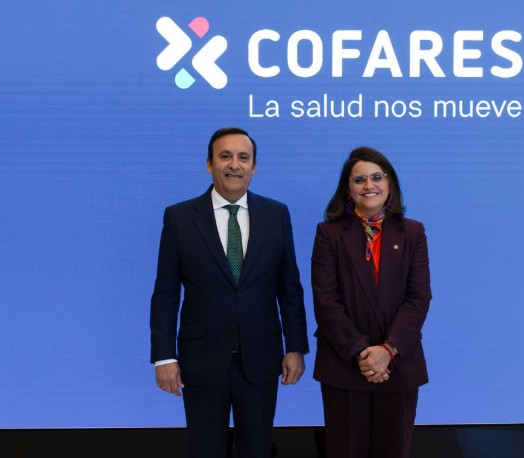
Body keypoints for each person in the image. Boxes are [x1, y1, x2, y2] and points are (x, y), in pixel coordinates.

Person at [150, 127, 309, 458]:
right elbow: (165, 293)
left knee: (258, 450)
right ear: (209, 163)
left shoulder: (276, 214)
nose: (234, 165)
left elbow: (289, 288)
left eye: (243, 157)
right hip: (201, 361)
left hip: (261, 358)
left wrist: (295, 347)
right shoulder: (180, 217)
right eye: (225, 156)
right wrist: (164, 356)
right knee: (205, 450)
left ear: (254, 166)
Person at [311, 146, 432, 458]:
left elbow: (418, 297)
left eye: (377, 177)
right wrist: (364, 355)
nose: (369, 186)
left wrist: (388, 350)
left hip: (398, 366)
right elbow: (326, 301)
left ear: (390, 183)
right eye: (359, 179)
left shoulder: (412, 232)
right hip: (345, 365)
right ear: (348, 189)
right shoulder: (328, 234)